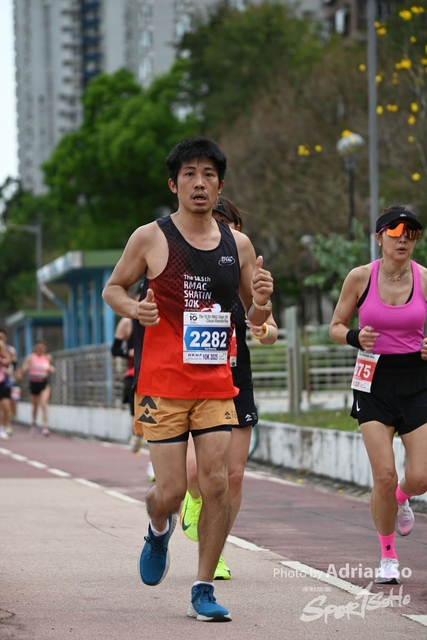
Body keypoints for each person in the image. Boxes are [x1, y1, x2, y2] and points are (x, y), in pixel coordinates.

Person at [102, 136, 274, 622]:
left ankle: (203, 587)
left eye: (209, 175)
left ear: (220, 185)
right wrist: (134, 308)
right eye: (190, 174)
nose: (200, 183)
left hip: (216, 383)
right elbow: (113, 288)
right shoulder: (150, 238)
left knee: (216, 484)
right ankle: (159, 527)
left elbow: (254, 318)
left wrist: (263, 300)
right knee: (172, 492)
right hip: (162, 385)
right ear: (173, 184)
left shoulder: (238, 245)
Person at [180, 196, 278, 580]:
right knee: (195, 472)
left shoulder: (246, 270)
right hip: (197, 379)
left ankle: (215, 551)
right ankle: (192, 499)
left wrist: (262, 321)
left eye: (227, 224)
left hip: (236, 379)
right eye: (212, 222)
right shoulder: (189, 269)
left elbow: (267, 328)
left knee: (233, 475)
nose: (219, 230)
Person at [329, 204, 427, 585]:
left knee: (420, 477)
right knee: (384, 475)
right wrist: (355, 336)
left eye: (411, 233)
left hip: (417, 380)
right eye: (395, 231)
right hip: (372, 381)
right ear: (379, 237)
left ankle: (402, 498)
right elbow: (336, 327)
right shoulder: (360, 278)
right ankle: (388, 555)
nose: (403, 239)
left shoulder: (424, 278)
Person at [111, 286, 155, 481]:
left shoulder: (160, 317)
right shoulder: (126, 322)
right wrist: (129, 352)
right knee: (136, 416)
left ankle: (153, 462)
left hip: (155, 374)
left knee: (155, 420)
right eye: (142, 296)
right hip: (133, 374)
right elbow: (114, 349)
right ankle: (137, 435)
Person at [19, 340, 56, 436]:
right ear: (35, 348)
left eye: (42, 348)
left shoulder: (47, 357)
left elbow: (51, 367)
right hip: (34, 382)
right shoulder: (31, 357)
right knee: (35, 405)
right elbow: (23, 370)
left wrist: (51, 368)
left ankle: (45, 427)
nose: (40, 349)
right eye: (39, 347)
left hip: (44, 382)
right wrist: (28, 366)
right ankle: (34, 423)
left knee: (43, 404)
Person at [0, 329, 17, 438]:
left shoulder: (9, 348)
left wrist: (2, 361)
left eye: (2, 337)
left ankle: (4, 427)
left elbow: (10, 361)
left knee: (7, 406)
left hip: (4, 380)